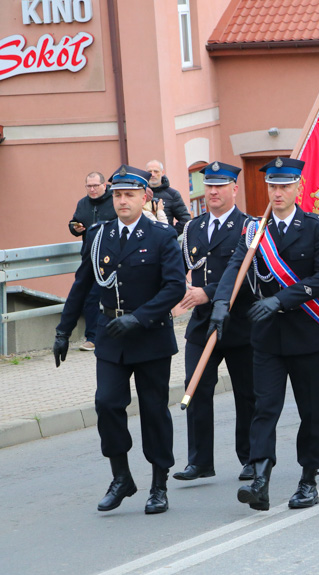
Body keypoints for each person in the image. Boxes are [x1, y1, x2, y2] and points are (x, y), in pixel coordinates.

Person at [53, 165, 186, 514]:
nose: (122, 201)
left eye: (129, 195)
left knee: (154, 410)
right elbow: (82, 283)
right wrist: (63, 331)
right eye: (117, 195)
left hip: (150, 336)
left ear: (146, 197)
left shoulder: (161, 236)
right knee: (107, 404)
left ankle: (159, 484)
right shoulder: (99, 235)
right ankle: (122, 477)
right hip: (110, 336)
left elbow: (174, 286)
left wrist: (139, 318)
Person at [209, 157, 319, 512]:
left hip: (305, 333)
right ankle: (261, 478)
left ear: (299, 188)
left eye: (284, 186)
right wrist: (221, 304)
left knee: (310, 409)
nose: (277, 193)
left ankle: (308, 479)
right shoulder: (254, 229)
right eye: (272, 187)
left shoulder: (315, 227)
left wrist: (280, 300)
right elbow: (235, 267)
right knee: (264, 407)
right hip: (265, 336)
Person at [173, 161, 257, 483]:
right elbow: (181, 267)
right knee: (195, 389)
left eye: (220, 186)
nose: (213, 192)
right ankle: (199, 461)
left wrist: (208, 292)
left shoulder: (248, 227)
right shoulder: (193, 228)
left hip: (239, 323)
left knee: (246, 393)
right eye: (208, 186)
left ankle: (249, 458)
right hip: (201, 324)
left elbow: (249, 274)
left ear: (234, 189)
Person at [69, 171, 116, 352]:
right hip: (90, 258)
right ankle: (92, 337)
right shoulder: (83, 203)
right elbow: (74, 224)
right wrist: (75, 227)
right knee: (90, 297)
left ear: (104, 185)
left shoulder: (114, 201)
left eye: (96, 185)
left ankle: (115, 334)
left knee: (113, 297)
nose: (93, 189)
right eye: (89, 186)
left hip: (112, 258)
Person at [145, 160, 192, 236]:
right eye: (149, 171)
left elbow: (185, 219)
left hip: (165, 243)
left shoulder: (172, 194)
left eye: (156, 171)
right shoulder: (139, 193)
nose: (152, 174)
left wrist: (171, 234)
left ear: (162, 172)